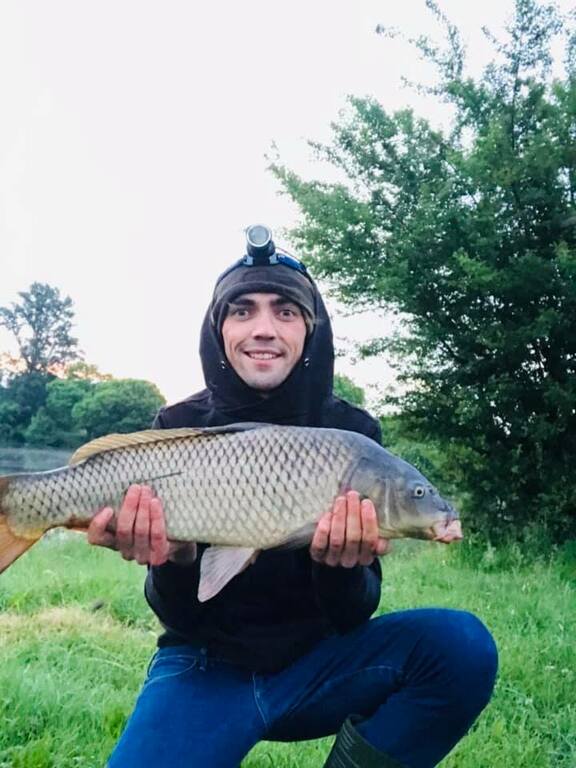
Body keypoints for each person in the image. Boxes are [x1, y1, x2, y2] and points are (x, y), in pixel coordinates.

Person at [88, 226, 498, 768]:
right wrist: (178, 558)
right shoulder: (178, 425)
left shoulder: (353, 435)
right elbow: (180, 616)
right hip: (204, 667)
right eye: (243, 311)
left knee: (460, 645)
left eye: (285, 311)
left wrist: (340, 568)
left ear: (310, 329)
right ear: (219, 328)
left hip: (322, 665)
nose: (264, 328)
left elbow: (354, 613)